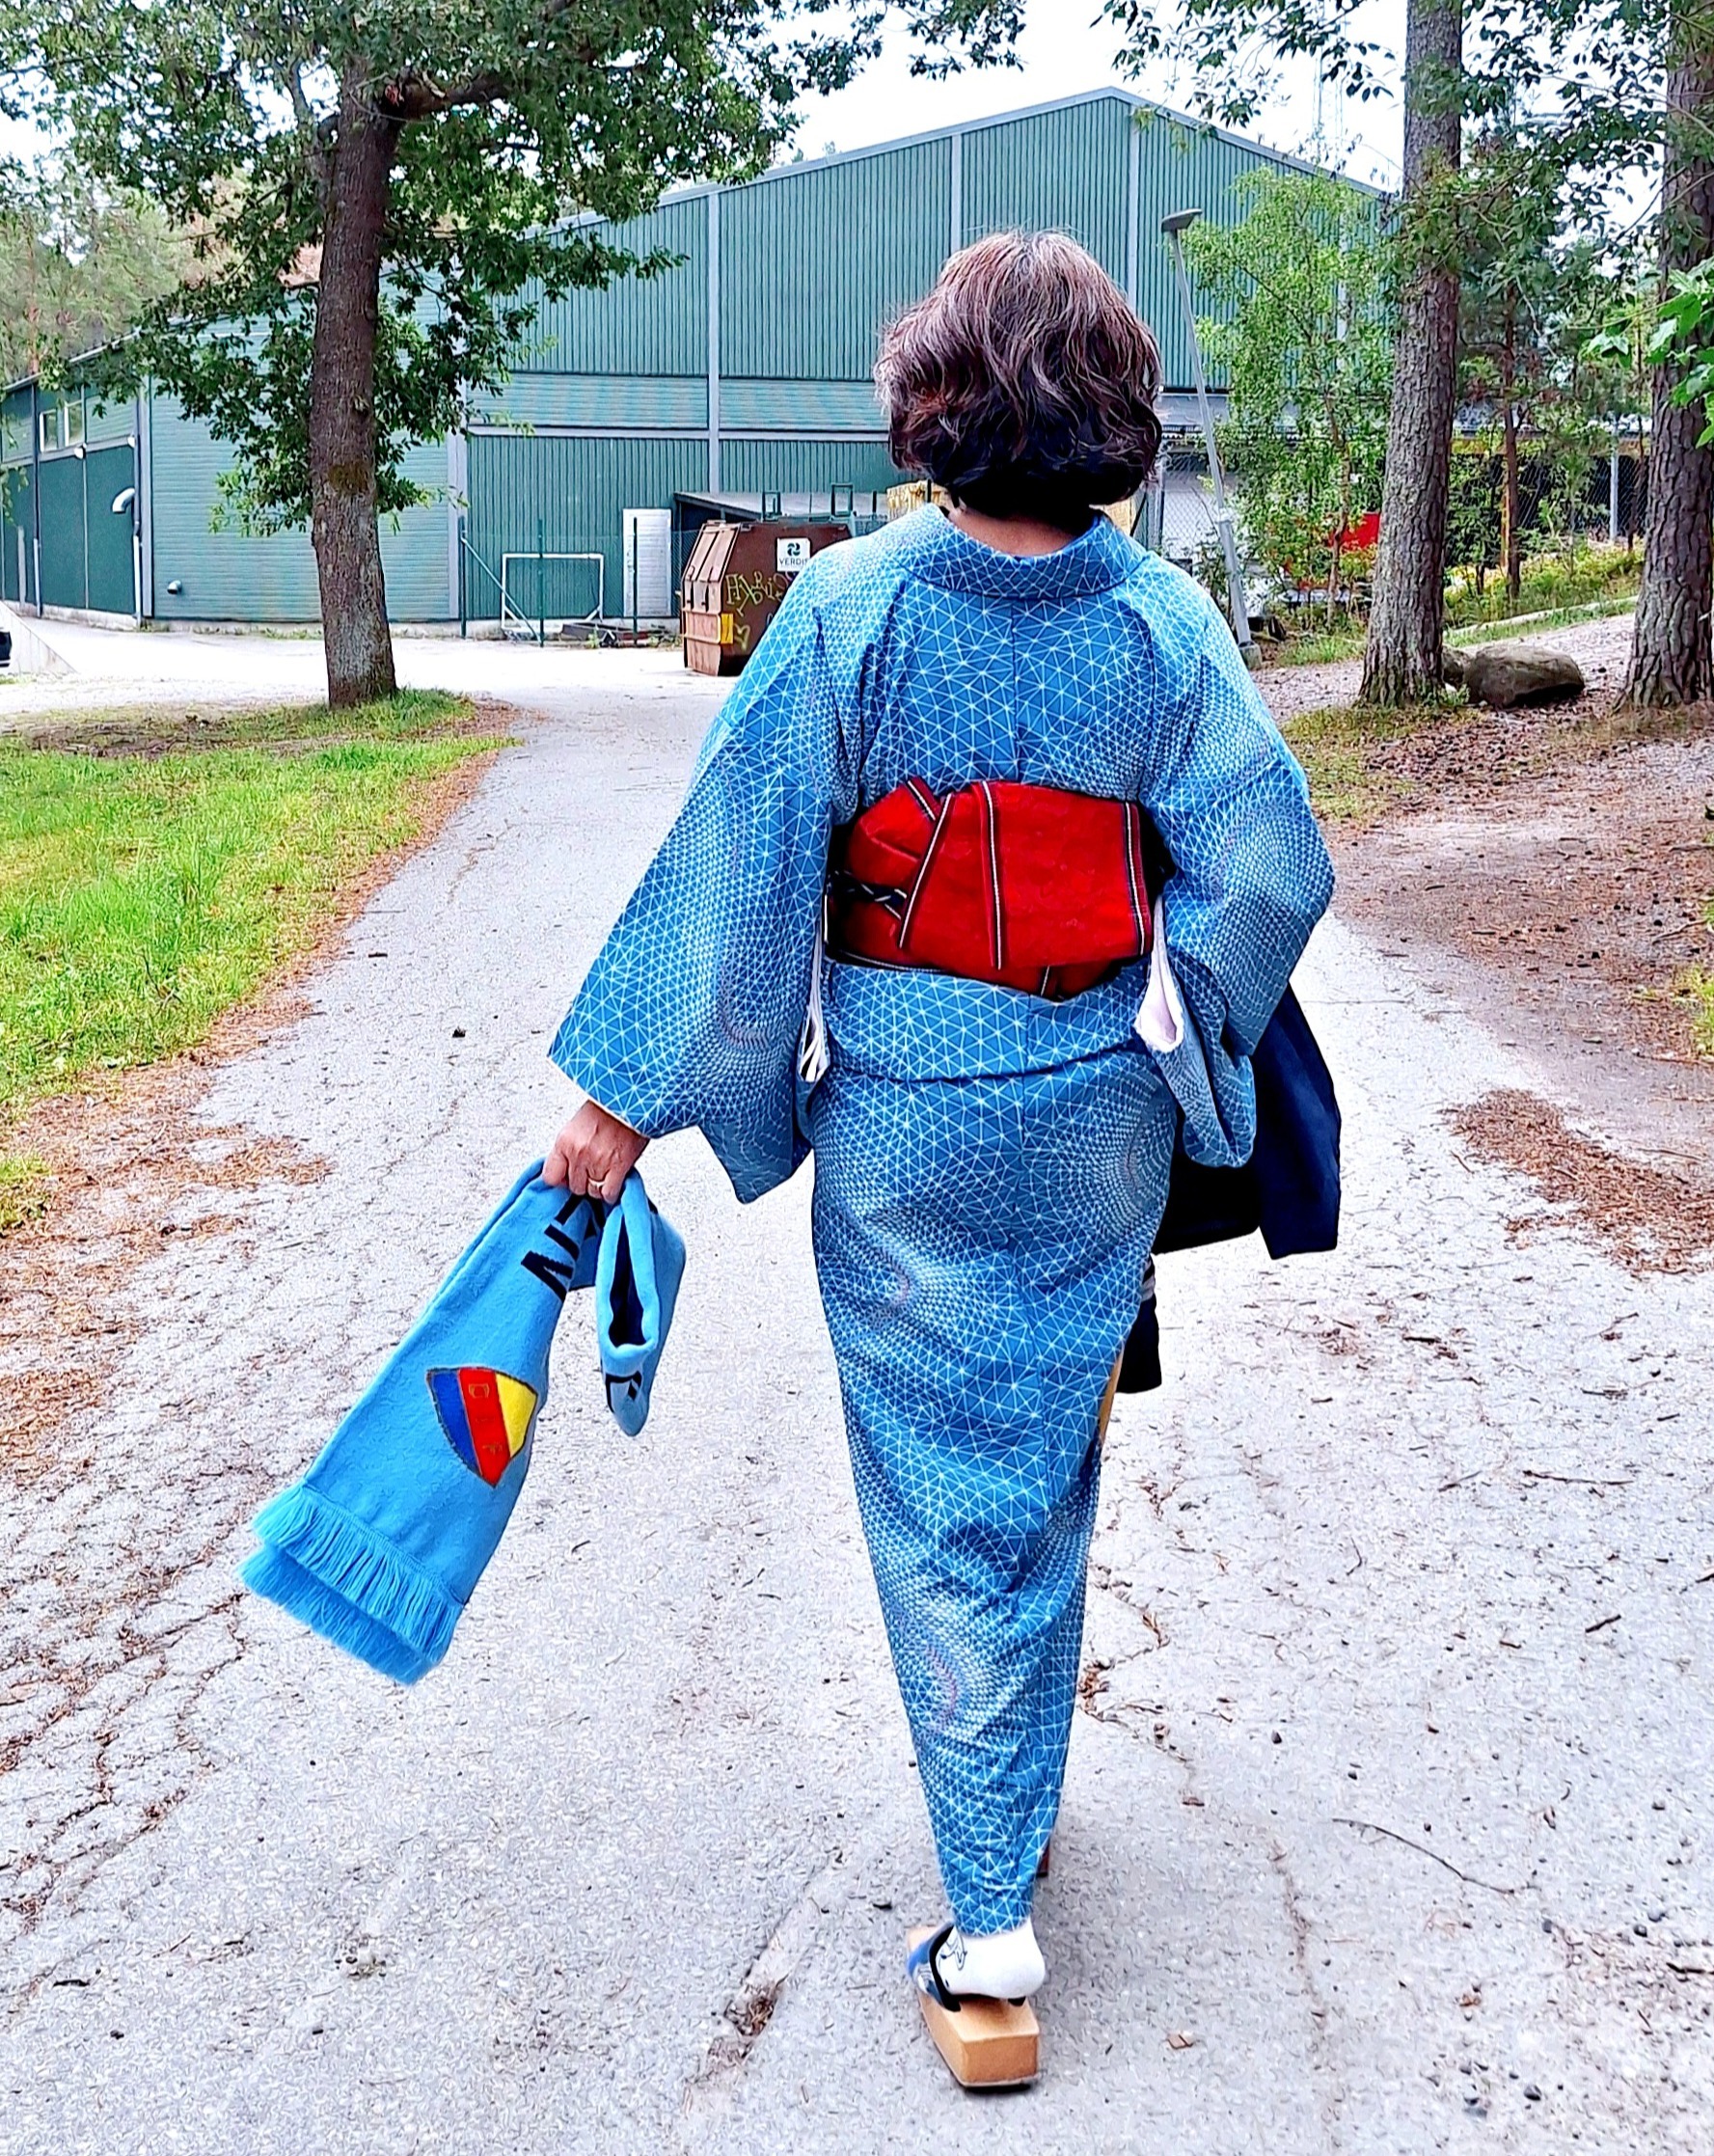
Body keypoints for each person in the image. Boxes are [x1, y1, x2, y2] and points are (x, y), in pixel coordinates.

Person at [542, 230, 1332, 2061]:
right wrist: (1169, 1015)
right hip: (1097, 1119)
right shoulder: (1163, 623)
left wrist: (620, 1100)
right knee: (1041, 1469)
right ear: (1114, 408)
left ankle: (988, 1936)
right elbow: (1272, 861)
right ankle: (1012, 1809)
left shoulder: (852, 608)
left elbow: (740, 882)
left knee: (934, 1501)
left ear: (937, 401)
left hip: (908, 1121)